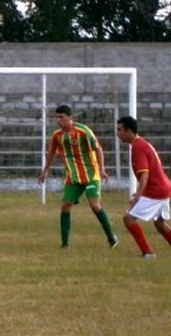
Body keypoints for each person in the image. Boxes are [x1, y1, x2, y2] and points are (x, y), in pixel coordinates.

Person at [37, 104, 118, 249]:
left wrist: (102, 169)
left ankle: (111, 236)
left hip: (91, 174)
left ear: (70, 117)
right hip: (73, 177)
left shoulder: (83, 131)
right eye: (57, 117)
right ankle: (65, 244)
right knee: (65, 207)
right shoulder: (57, 135)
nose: (58, 120)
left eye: (61, 117)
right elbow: (52, 153)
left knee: (94, 205)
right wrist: (45, 171)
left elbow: (97, 148)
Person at [115, 116, 171, 258]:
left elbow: (144, 175)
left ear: (129, 131)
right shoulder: (141, 144)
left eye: (120, 130)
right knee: (160, 224)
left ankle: (148, 253)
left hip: (155, 190)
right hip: (163, 187)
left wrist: (137, 197)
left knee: (128, 218)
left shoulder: (138, 147)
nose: (117, 133)